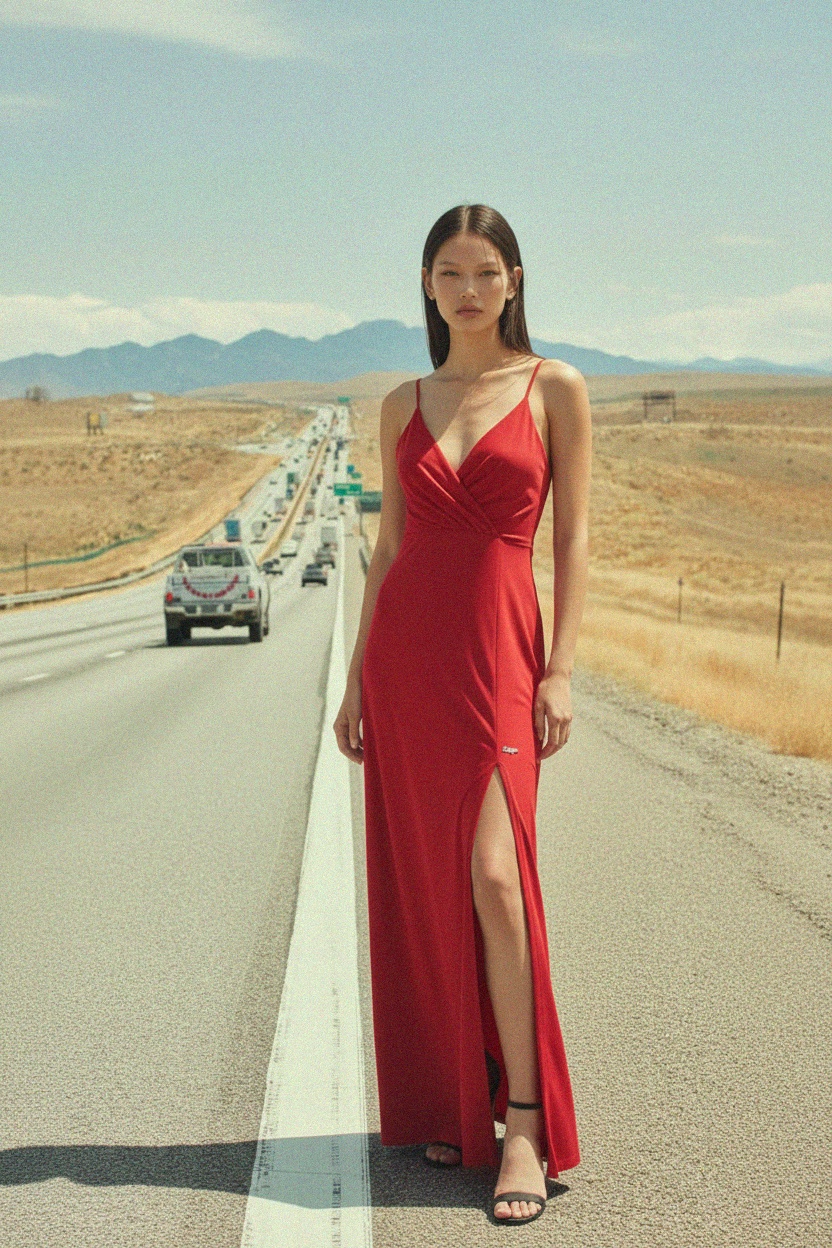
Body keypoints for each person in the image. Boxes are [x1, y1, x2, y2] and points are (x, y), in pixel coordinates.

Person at [334, 204, 592, 1226]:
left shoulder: (555, 388)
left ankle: (523, 1120)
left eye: (487, 269)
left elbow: (570, 539)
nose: (470, 287)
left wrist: (560, 665)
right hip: (407, 659)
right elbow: (388, 549)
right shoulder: (401, 402)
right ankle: (452, 1097)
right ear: (429, 288)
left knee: (493, 872)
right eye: (451, 271)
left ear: (514, 280)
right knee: (433, 884)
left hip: (498, 654)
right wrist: (358, 677)